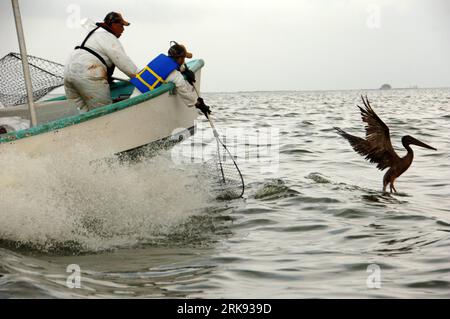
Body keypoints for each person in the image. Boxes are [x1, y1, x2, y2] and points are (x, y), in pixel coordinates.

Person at [64, 12, 138, 112]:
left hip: (68, 72)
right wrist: (142, 78)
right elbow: (124, 63)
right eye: (121, 25)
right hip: (88, 72)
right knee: (103, 112)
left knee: (81, 112)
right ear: (113, 24)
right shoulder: (108, 37)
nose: (123, 30)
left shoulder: (92, 32)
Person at [130, 41, 211, 116]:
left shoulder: (160, 63)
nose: (184, 61)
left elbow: (172, 68)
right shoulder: (176, 76)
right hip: (142, 103)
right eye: (183, 58)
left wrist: (184, 71)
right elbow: (184, 92)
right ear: (180, 58)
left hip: (134, 95)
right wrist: (198, 104)